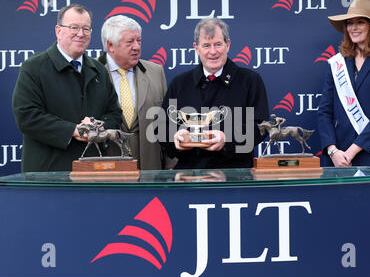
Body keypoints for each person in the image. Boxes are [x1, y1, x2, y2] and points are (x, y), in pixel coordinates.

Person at [12, 4, 122, 172]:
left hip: (93, 171)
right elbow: (27, 116)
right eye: (74, 27)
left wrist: (97, 127)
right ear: (58, 31)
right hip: (48, 175)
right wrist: (73, 130)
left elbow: (114, 114)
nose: (81, 34)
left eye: (86, 29)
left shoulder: (99, 70)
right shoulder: (34, 68)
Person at [160, 17, 269, 169]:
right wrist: (175, 138)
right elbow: (162, 127)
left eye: (218, 44)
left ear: (228, 45)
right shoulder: (180, 83)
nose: (213, 51)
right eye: (206, 45)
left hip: (236, 177)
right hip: (189, 177)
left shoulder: (250, 81)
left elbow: (262, 127)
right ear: (196, 48)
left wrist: (227, 139)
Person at [318, 0, 370, 169]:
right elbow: (324, 112)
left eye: (360, 22)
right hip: (337, 158)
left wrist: (351, 152)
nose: (353, 28)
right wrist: (333, 151)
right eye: (349, 23)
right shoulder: (337, 63)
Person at [98, 15, 173, 170]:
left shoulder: (156, 72)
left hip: (151, 171)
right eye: (130, 42)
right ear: (110, 45)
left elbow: (167, 124)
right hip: (107, 172)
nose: (137, 47)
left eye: (138, 40)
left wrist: (171, 167)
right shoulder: (92, 75)